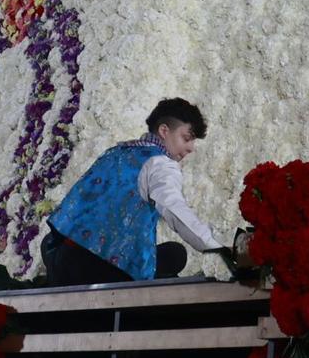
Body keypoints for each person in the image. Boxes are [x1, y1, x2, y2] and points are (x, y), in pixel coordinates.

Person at [40, 98, 234, 286]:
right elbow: (175, 211)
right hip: (99, 268)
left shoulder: (114, 152)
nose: (191, 148)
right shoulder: (159, 164)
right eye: (186, 138)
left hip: (61, 260)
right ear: (164, 131)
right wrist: (217, 249)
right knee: (176, 254)